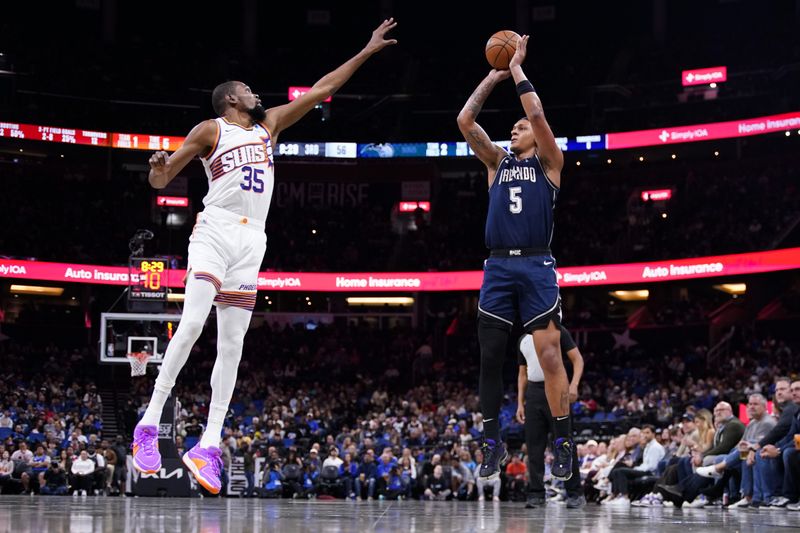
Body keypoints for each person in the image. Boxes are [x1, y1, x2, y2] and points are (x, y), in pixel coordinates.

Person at [130, 19, 398, 495]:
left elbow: (320, 91)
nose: (257, 95)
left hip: (253, 241)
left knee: (231, 348)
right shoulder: (210, 129)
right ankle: (150, 422)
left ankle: (207, 445)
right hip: (214, 231)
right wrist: (157, 168)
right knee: (192, 324)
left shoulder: (268, 127)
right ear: (231, 98)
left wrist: (366, 51)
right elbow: (161, 179)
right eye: (248, 90)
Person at [456, 34, 571, 481]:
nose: (515, 128)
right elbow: (465, 120)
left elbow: (537, 113)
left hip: (538, 265)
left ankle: (563, 440)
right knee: (490, 357)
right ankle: (491, 441)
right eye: (514, 127)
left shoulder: (550, 163)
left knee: (550, 357)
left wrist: (519, 67)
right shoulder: (496, 163)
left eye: (519, 127)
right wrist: (494, 74)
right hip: (499, 265)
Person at [516, 324, 585, 509]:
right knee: (534, 447)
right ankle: (536, 494)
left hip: (557, 387)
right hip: (534, 393)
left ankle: (575, 493)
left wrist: (574, 385)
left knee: (564, 443)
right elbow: (522, 374)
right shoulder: (522, 339)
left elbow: (578, 360)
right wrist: (519, 403)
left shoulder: (559, 331)